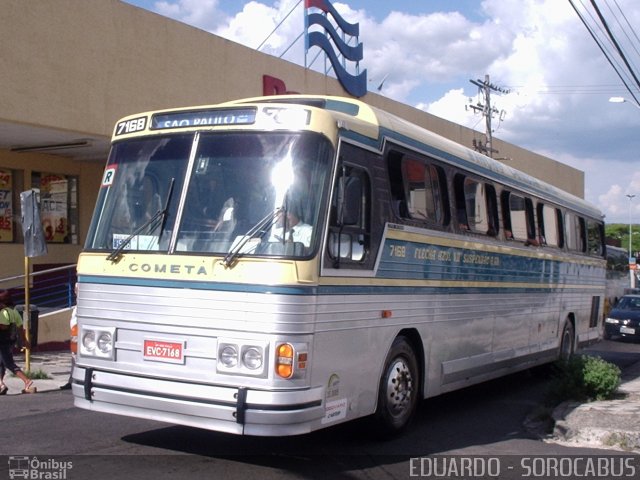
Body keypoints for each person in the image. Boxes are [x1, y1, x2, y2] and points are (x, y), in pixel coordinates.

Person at [0, 290, 37, 394]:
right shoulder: (14, 311)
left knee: (9, 363)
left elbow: (4, 326)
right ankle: (1, 384)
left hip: (3, 341)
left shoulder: (4, 312)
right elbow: (20, 327)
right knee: (1, 363)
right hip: (10, 340)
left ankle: (27, 381)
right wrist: (24, 340)